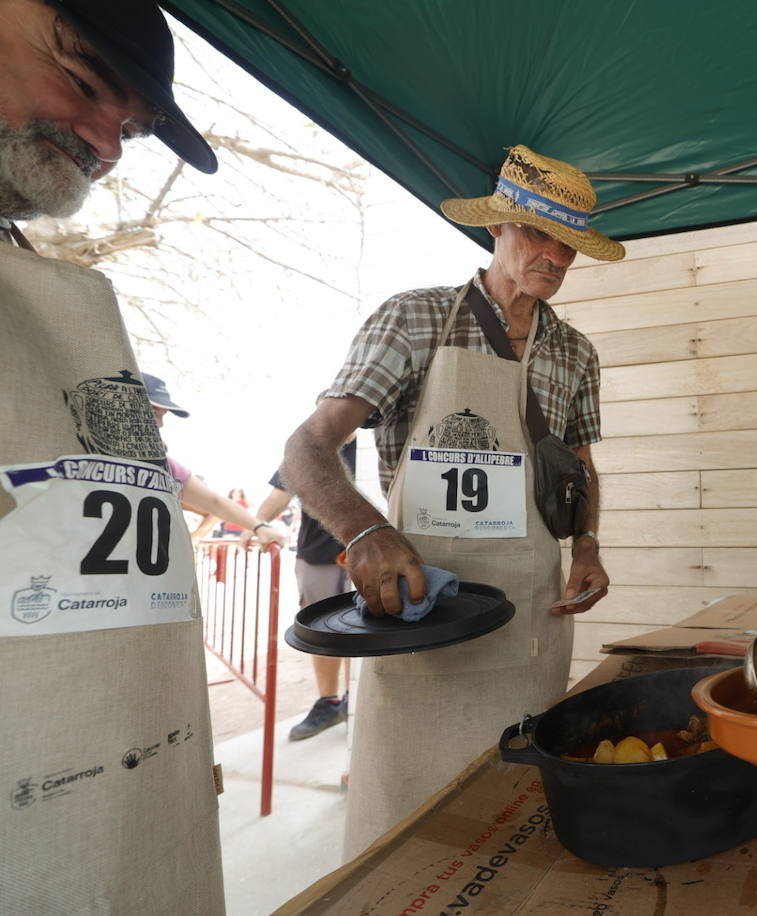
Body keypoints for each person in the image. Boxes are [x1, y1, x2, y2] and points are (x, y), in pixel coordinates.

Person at [283, 144, 618, 857]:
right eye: (537, 234)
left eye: (570, 245)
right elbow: (307, 447)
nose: (553, 256)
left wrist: (586, 545)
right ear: (496, 227)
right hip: (424, 612)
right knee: (412, 824)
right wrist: (364, 532)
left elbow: (582, 464)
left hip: (531, 611)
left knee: (515, 813)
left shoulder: (575, 353)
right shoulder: (415, 320)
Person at [0, 1, 227, 912]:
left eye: (127, 127)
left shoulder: (29, 270)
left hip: (99, 758)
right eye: (84, 81)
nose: (107, 144)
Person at [248, 430, 360, 740]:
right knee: (322, 633)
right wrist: (255, 524)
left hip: (366, 554)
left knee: (364, 631)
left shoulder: (372, 446)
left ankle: (356, 702)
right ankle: (329, 702)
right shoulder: (307, 448)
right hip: (317, 555)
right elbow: (279, 495)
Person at [142, 372, 287, 549]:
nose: (160, 424)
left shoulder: (163, 466)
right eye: (153, 412)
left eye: (162, 414)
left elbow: (214, 503)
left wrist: (259, 527)